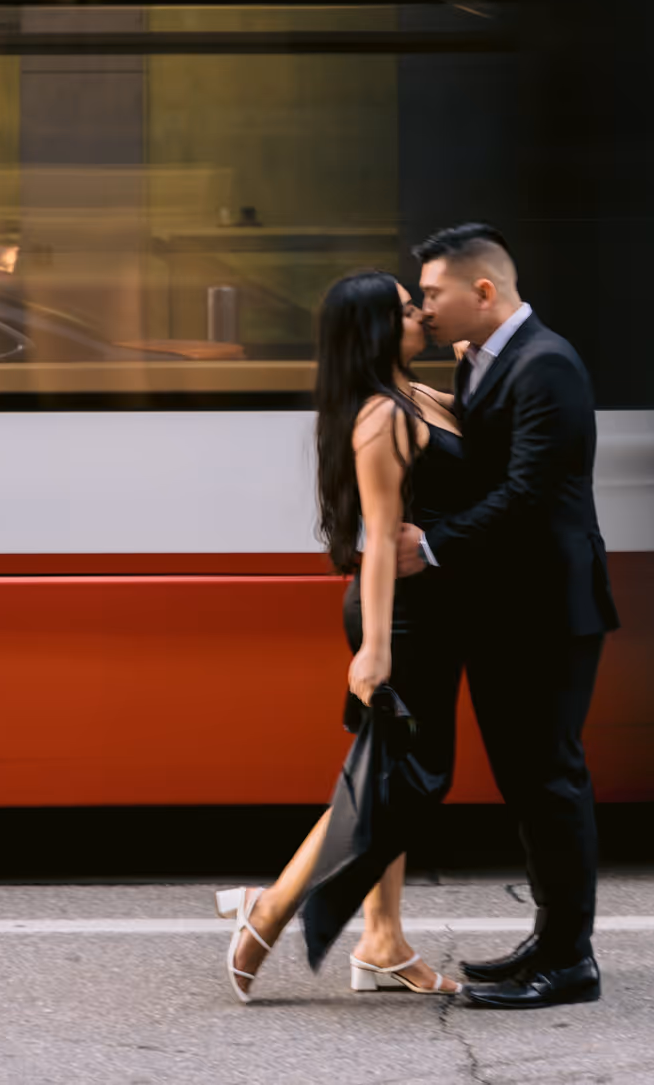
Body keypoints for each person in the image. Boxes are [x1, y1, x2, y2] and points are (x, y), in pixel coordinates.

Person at [213, 271, 466, 1002]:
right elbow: (381, 538)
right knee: (392, 784)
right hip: (402, 615)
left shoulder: (416, 394)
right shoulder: (380, 417)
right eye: (406, 307)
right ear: (376, 329)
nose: (419, 314)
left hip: (425, 611)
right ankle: (268, 912)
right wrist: (376, 648)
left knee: (388, 779)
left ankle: (382, 941)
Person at [398, 222, 619, 1011]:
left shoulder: (546, 365)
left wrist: (432, 547)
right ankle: (551, 941)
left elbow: (527, 494)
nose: (425, 310)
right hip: (511, 609)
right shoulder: (491, 363)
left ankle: (570, 960)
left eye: (433, 294)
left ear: (482, 291)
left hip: (548, 612)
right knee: (529, 784)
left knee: (551, 780)